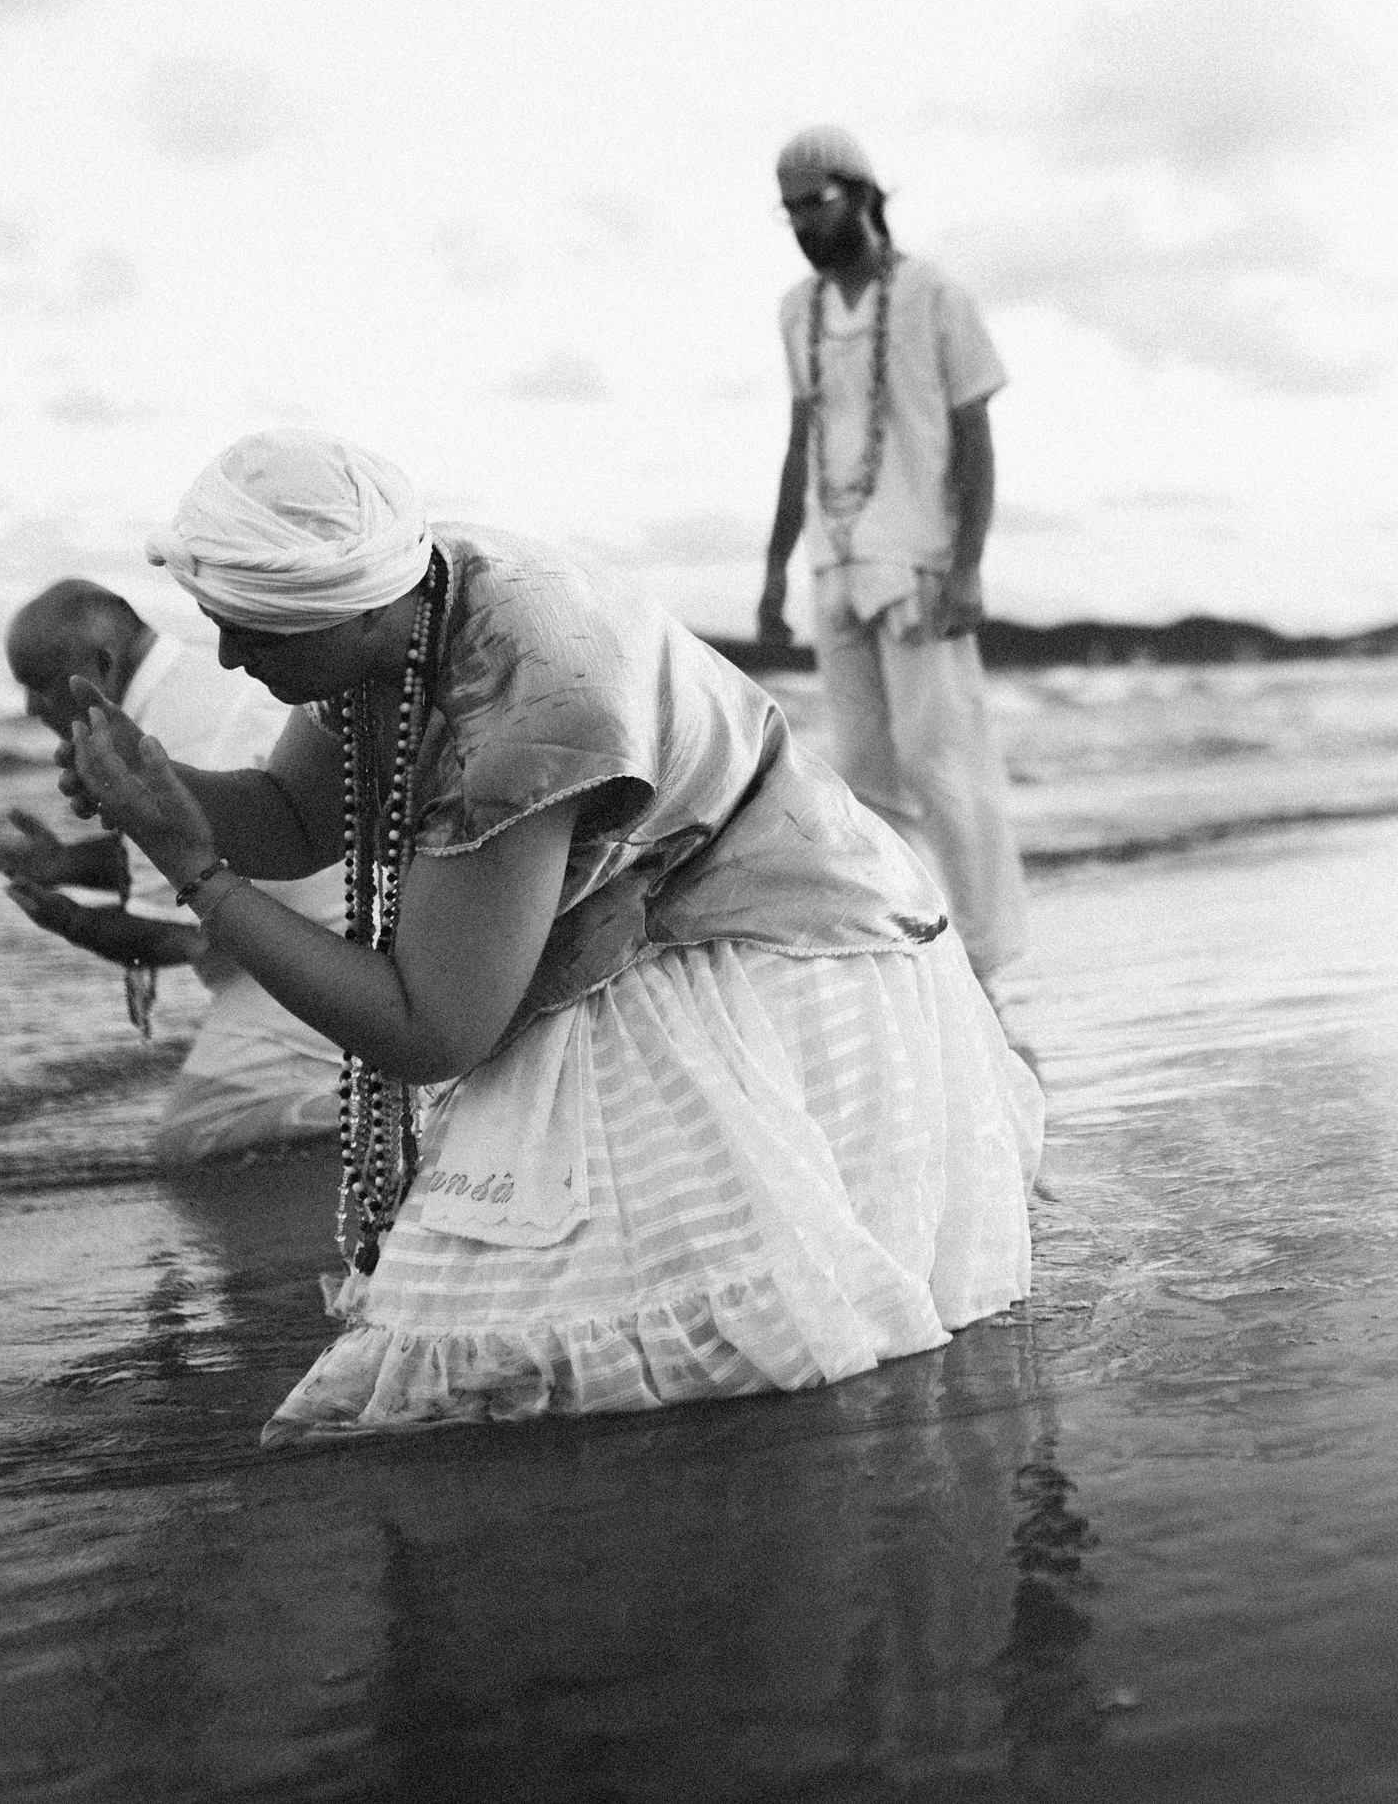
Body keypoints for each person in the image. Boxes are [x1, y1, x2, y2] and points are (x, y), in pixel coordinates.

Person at [61, 430, 1042, 1441]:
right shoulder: (412, 582)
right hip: (621, 917)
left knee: (626, 1358)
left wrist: (195, 871)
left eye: (253, 635)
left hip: (772, 942)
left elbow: (432, 1028)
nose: (227, 656)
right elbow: (299, 813)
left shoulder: (523, 707)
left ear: (349, 611)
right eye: (221, 625)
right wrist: (158, 788)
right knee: (506, 1355)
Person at [757, 124, 1033, 991]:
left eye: (818, 202)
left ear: (863, 193)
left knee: (943, 764)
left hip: (918, 560)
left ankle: (987, 959)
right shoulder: (795, 309)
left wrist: (968, 564)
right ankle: (916, 953)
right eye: (791, 209)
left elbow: (973, 434)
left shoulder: (934, 296)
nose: (805, 222)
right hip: (835, 563)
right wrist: (774, 567)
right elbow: (800, 438)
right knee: (865, 778)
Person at [0, 579, 343, 1161]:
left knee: (194, 1140)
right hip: (334, 934)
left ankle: (385, 1097)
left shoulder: (166, 731)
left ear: (100, 666)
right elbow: (185, 847)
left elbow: (177, 934)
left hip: (320, 965)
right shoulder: (194, 685)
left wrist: (68, 922)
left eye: (38, 686)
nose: (31, 708)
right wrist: (65, 864)